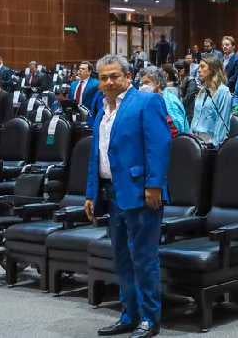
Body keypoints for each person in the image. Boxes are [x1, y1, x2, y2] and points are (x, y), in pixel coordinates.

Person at [83, 54, 171, 338]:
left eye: (114, 77)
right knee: (122, 258)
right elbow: (97, 155)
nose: (109, 82)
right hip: (111, 193)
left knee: (143, 258)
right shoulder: (101, 109)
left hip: (142, 193)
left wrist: (155, 185)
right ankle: (129, 314)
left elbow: (159, 145)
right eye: (104, 78)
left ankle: (149, 319)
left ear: (128, 77)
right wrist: (91, 193)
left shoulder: (147, 101)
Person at [190, 55, 233, 146]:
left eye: (202, 66)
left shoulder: (223, 92)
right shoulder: (202, 90)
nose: (199, 70)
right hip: (195, 140)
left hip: (210, 143)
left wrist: (214, 146)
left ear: (212, 69)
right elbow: (195, 118)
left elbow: (222, 123)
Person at [138, 66, 189, 135]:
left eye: (147, 83)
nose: (143, 87)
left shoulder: (169, 101)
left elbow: (179, 128)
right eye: (141, 84)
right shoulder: (151, 100)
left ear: (158, 83)